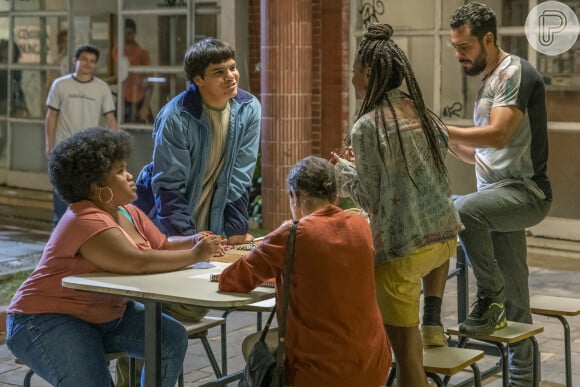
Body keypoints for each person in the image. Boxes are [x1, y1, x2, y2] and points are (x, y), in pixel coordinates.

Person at [4, 127, 223, 387]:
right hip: (47, 319)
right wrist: (194, 255)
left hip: (107, 315)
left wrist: (193, 241)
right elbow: (137, 262)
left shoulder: (128, 212)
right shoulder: (85, 219)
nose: (130, 175)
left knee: (170, 339)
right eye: (120, 171)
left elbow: (162, 245)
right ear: (97, 187)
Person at [331, 23, 462, 387]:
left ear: (369, 73)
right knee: (415, 346)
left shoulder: (367, 127)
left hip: (403, 253)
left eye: (355, 71)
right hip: (444, 241)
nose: (352, 78)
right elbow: (421, 179)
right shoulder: (422, 112)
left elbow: (372, 200)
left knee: (407, 360)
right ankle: (432, 322)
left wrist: (343, 171)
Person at [447, 3, 552, 385]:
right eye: (455, 47)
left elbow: (498, 134)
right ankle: (523, 381)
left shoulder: (514, 72)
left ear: (488, 39)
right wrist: (440, 141)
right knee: (517, 300)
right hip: (496, 196)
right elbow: (482, 154)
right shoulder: (488, 81)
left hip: (524, 193)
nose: (459, 54)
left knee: (463, 210)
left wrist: (443, 128)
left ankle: (488, 296)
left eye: (465, 46)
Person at [219, 156, 392, 386]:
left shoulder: (293, 233)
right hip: (373, 366)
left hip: (318, 373)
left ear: (295, 196)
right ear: (334, 196)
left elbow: (232, 280)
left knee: (253, 346)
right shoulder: (361, 225)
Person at [134, 37, 261, 245]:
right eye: (219, 72)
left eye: (232, 68)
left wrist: (235, 228)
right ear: (198, 79)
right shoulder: (175, 118)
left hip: (215, 223)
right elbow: (169, 186)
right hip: (169, 227)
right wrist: (189, 239)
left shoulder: (249, 108)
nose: (231, 77)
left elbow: (240, 176)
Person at [45, 44, 118, 226]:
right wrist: (49, 145)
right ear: (75, 61)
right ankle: (59, 234)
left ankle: (86, 235)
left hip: (90, 152)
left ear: (95, 65)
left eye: (92, 61)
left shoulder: (101, 88)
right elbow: (51, 115)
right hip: (64, 150)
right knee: (62, 194)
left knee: (89, 195)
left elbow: (110, 118)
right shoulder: (60, 85)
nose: (87, 64)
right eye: (84, 60)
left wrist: (116, 149)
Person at [113, 18, 154, 123]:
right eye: (124, 33)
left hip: (139, 98)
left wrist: (145, 106)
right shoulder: (116, 51)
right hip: (123, 98)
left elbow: (150, 81)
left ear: (134, 33)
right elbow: (120, 76)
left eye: (129, 33)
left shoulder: (142, 52)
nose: (127, 36)